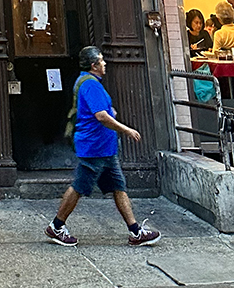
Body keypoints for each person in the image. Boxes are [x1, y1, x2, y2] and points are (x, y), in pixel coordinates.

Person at [45, 46, 161, 248]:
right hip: (94, 148)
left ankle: (135, 232)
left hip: (105, 149)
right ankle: (56, 226)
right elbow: (101, 116)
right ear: (94, 65)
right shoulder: (91, 85)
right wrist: (126, 130)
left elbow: (101, 111)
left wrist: (110, 112)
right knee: (79, 187)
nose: (105, 63)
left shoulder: (89, 83)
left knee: (118, 187)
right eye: (101, 61)